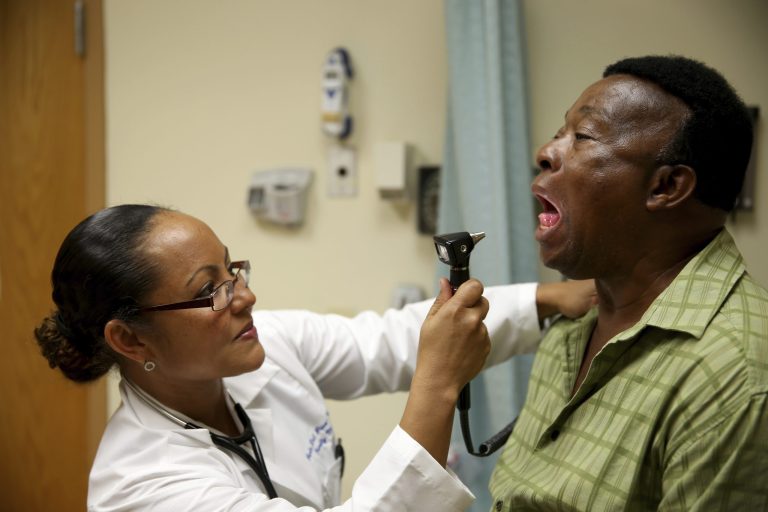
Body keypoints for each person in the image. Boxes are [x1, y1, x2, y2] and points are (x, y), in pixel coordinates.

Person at [34, 204, 596, 511]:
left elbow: (390, 341)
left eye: (234, 270)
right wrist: (439, 385)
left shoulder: (261, 345)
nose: (244, 295)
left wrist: (548, 299)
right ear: (130, 341)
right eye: (211, 289)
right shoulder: (143, 487)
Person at [488, 55, 768, 510]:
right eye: (561, 133)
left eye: (582, 136)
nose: (546, 151)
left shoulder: (732, 375)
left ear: (666, 186)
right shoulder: (571, 331)